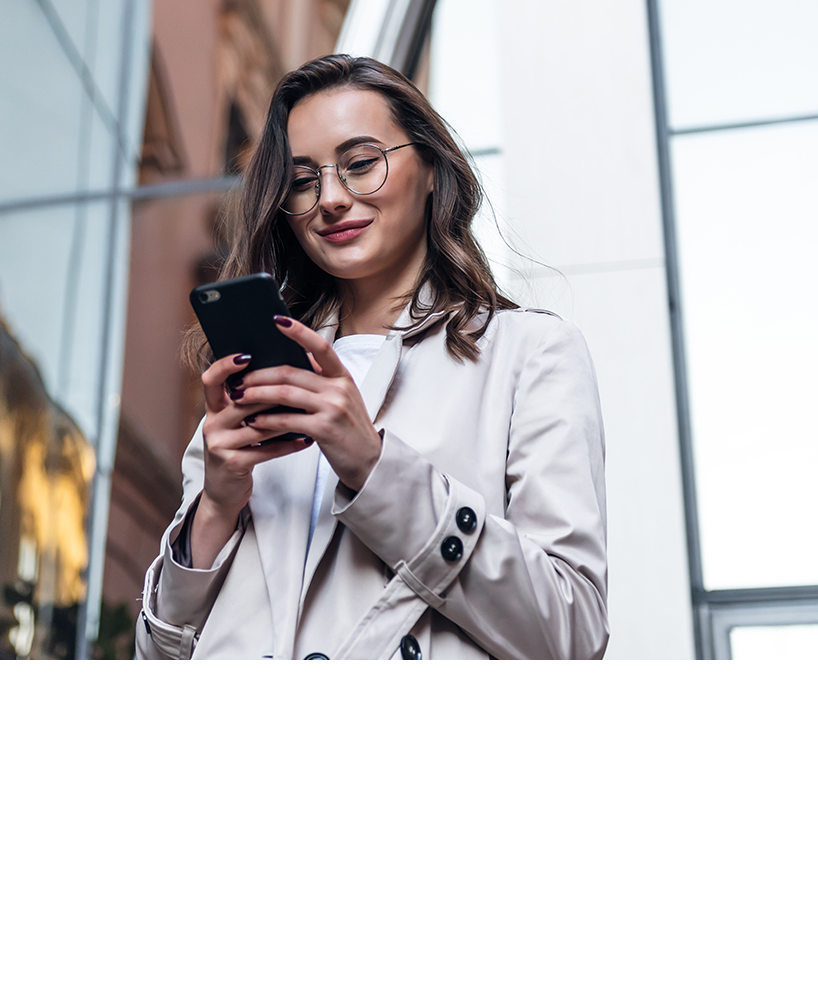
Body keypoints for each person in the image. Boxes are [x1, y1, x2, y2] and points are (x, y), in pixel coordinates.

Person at [135, 54, 608, 660]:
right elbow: (158, 658)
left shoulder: (530, 356)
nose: (329, 198)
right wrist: (215, 509)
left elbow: (572, 635)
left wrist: (374, 467)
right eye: (303, 181)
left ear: (433, 167)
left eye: (360, 164)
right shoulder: (258, 380)